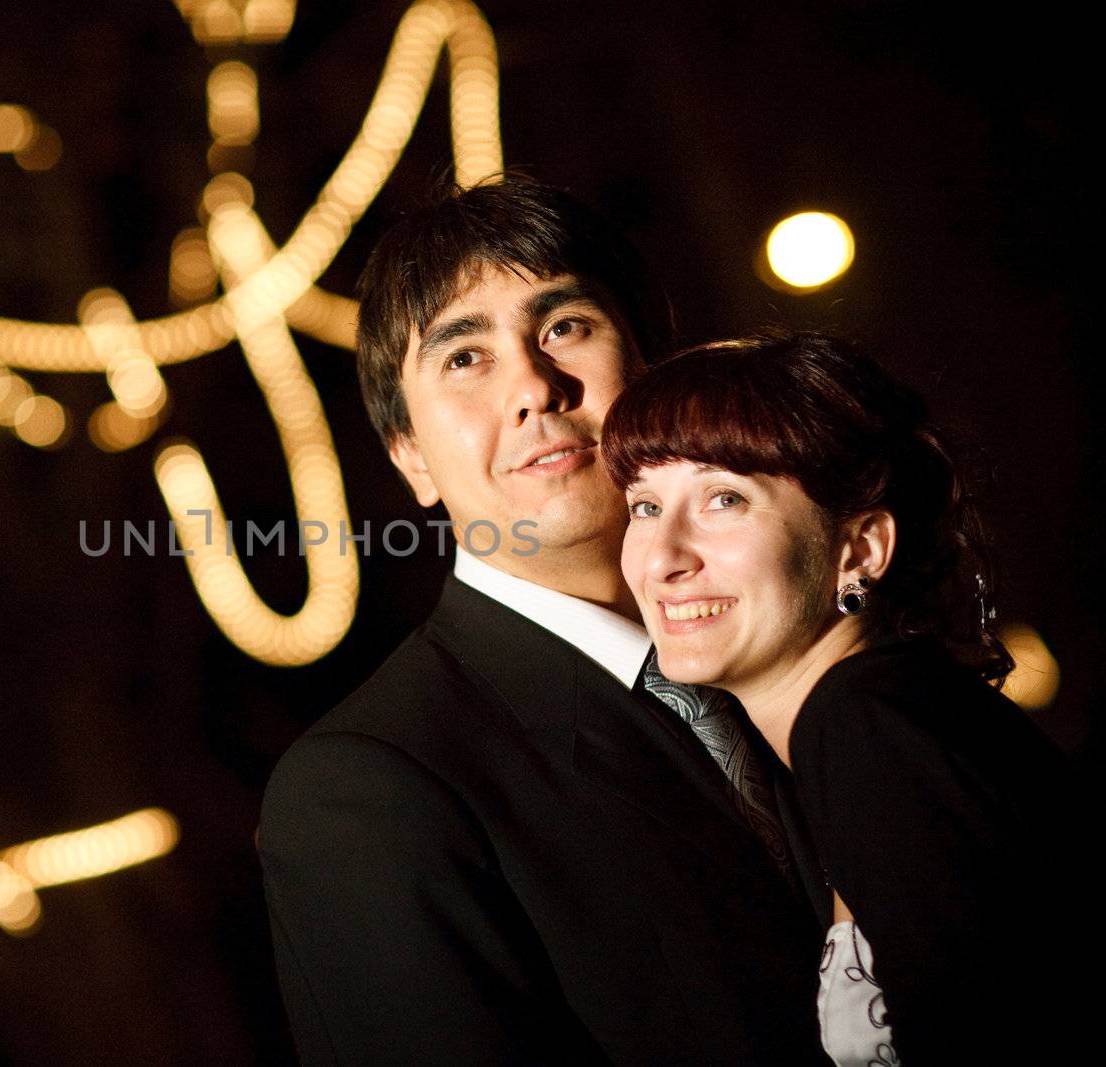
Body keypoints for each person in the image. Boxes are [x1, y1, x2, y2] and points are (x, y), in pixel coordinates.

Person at [257, 177, 829, 1064]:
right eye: (463, 357)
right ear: (408, 453)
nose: (533, 385)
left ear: (656, 374)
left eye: (565, 327)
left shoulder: (798, 640)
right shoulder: (367, 788)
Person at [605, 330, 1093, 1064]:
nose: (664, 557)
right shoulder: (873, 718)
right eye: (644, 506)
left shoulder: (866, 722)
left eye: (723, 498)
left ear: (859, 549)